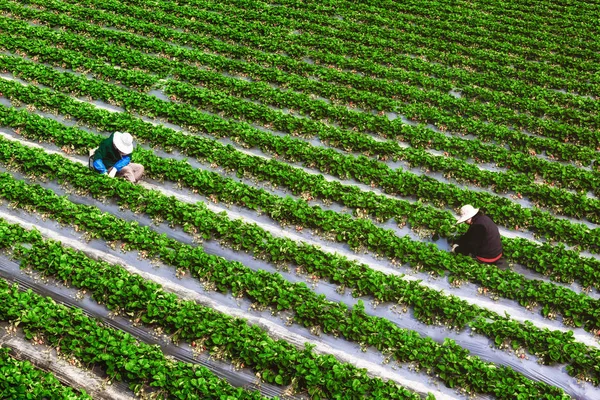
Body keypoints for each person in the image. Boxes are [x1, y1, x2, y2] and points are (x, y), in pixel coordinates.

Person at [451, 204, 507, 269]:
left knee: (468, 252)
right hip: (498, 252)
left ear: (469, 218)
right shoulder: (482, 218)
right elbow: (469, 236)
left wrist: (457, 250)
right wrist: (458, 241)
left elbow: (470, 247)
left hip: (489, 257)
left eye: (465, 220)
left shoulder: (478, 227)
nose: (465, 222)